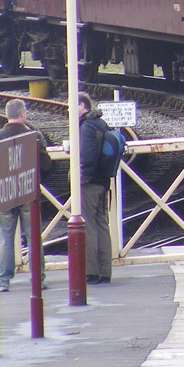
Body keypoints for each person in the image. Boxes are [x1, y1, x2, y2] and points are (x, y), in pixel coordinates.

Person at [0, 98, 53, 292]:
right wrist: (37, 179)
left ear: (7, 115)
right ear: (23, 114)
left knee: (6, 237)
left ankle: (3, 281)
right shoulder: (34, 137)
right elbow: (47, 165)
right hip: (28, 193)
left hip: (4, 193)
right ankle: (37, 280)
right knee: (33, 237)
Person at [77, 93, 112, 284]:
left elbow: (88, 157)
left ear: (81, 106)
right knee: (102, 224)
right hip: (103, 181)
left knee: (88, 225)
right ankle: (105, 270)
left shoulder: (87, 127)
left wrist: (81, 179)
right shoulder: (101, 123)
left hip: (90, 183)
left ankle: (91, 271)